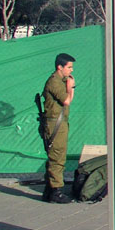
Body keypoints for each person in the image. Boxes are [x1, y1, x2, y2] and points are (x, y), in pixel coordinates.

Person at [40, 53, 76, 203]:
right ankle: (56, 191)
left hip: (59, 122)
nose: (71, 70)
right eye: (69, 67)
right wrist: (71, 87)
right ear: (59, 67)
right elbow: (67, 100)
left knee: (57, 155)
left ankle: (49, 190)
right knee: (57, 157)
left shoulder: (61, 81)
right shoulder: (54, 82)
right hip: (55, 123)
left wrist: (69, 86)